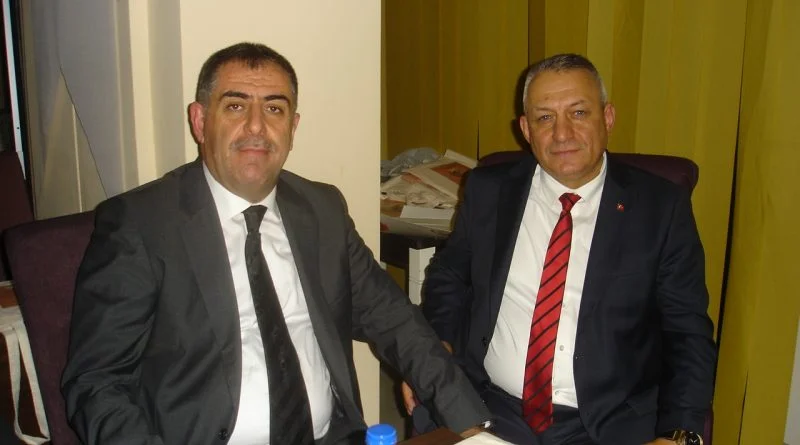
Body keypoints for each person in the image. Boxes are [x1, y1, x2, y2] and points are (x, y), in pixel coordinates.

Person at [61, 42, 490, 445]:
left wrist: (471, 426)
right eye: (235, 106)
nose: (256, 126)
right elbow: (97, 382)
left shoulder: (321, 209)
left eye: (274, 108)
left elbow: (394, 320)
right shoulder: (140, 224)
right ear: (200, 121)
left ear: (292, 126)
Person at [403, 54, 716, 445]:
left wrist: (679, 433)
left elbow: (687, 330)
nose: (562, 134)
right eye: (545, 117)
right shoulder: (489, 190)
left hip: (608, 422)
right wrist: (437, 345)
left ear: (608, 118)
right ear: (526, 129)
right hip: (489, 407)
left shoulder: (660, 208)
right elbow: (450, 274)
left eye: (579, 113)